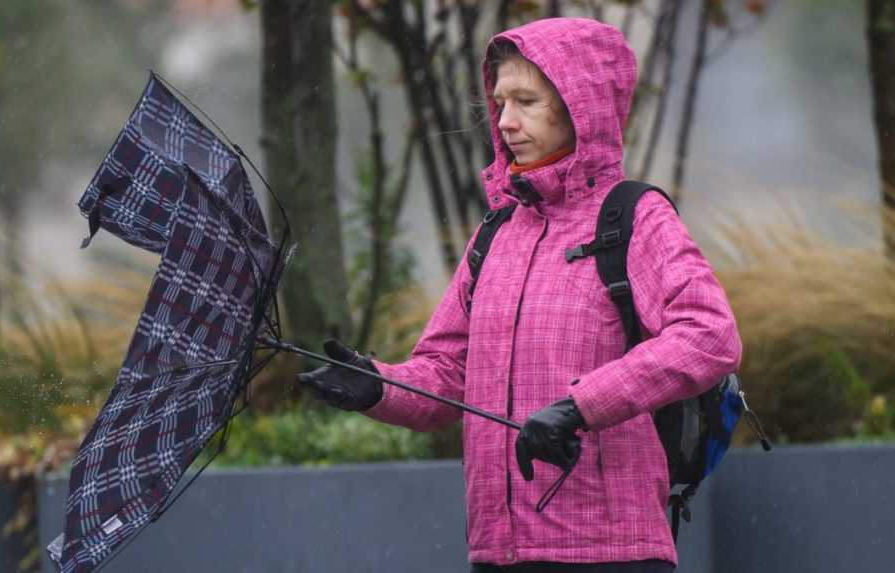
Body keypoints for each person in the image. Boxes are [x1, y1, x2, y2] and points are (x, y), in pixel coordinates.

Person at [297, 17, 741, 573]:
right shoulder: (498, 230)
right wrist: (378, 386)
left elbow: (710, 337)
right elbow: (446, 373)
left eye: (526, 101)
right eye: (500, 101)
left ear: (583, 105)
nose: (505, 121)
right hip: (497, 552)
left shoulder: (634, 218)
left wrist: (580, 406)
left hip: (609, 554)